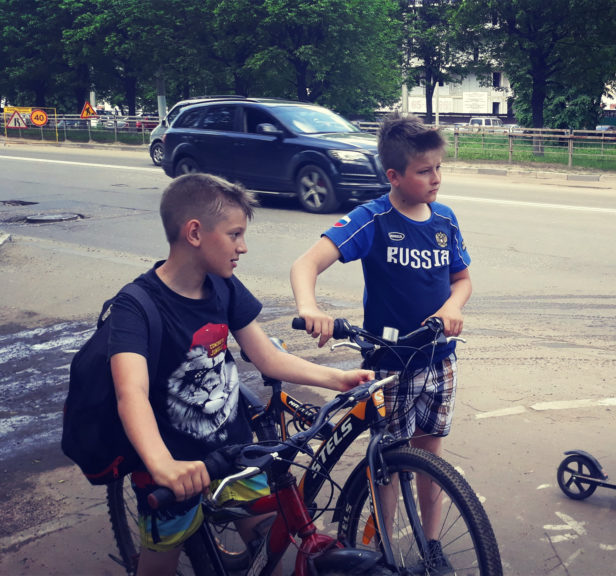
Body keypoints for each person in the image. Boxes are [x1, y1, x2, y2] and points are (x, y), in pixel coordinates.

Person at [109, 173, 374, 576]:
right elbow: (131, 393)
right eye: (235, 235)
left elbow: (266, 357)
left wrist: (338, 379)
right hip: (173, 471)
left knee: (273, 547)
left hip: (234, 455)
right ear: (194, 233)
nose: (243, 247)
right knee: (158, 566)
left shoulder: (224, 287)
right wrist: (163, 465)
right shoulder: (136, 305)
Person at [290, 112, 472, 562]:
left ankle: (432, 545)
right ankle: (383, 550)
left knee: (430, 458)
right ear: (393, 175)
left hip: (439, 360)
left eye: (439, 167)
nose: (436, 178)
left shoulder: (445, 219)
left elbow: (462, 279)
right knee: (388, 463)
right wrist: (310, 308)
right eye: (424, 171)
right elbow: (305, 264)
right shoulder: (372, 218)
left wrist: (452, 306)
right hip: (389, 365)